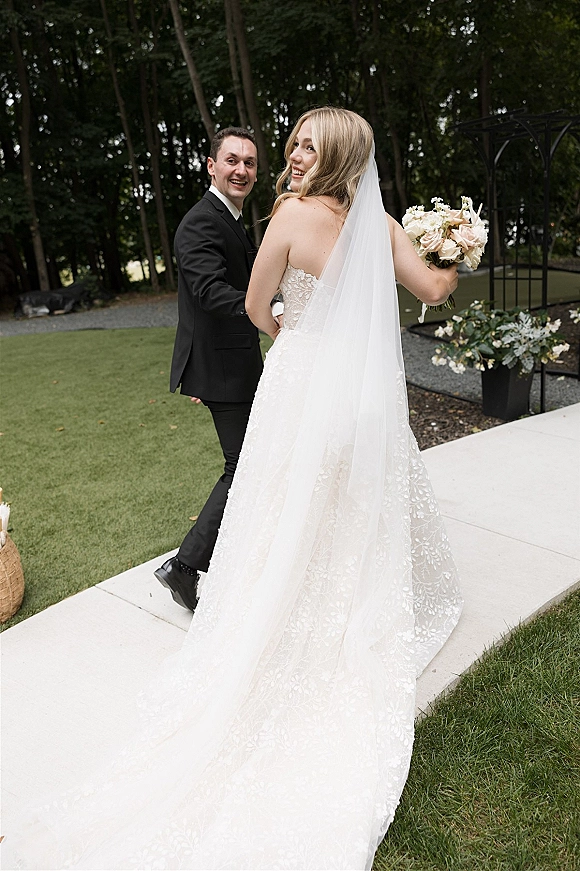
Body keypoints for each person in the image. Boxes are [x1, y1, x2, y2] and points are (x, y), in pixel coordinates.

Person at [5, 108, 462, 870]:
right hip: (358, 393)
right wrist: (454, 251)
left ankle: (272, 608)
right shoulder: (378, 221)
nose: (291, 153)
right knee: (345, 505)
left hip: (301, 380)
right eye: (292, 142)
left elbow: (257, 306)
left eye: (304, 143)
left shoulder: (287, 216)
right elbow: (436, 290)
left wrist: (295, 335)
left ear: (336, 153)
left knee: (282, 502)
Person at [155, 126, 263, 612]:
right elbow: (209, 292)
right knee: (242, 467)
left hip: (234, 361)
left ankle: (226, 558)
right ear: (211, 165)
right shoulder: (200, 221)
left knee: (254, 463)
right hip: (223, 367)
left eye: (250, 162)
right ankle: (184, 566)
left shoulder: (231, 217)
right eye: (233, 160)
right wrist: (271, 307)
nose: (242, 169)